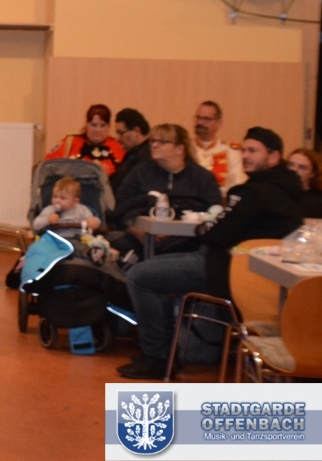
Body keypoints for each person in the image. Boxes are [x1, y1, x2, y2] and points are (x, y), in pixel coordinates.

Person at [117, 126, 303, 380]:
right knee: (156, 270)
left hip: (227, 269)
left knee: (140, 276)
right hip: (262, 277)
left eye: (253, 151)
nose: (245, 156)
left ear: (274, 156)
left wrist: (205, 228)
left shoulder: (254, 193)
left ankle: (157, 357)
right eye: (244, 150)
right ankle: (167, 352)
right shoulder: (292, 191)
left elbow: (216, 233)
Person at [109, 124, 220, 257]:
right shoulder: (139, 173)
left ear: (180, 149)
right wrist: (136, 231)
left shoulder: (202, 178)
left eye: (162, 142)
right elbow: (120, 209)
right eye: (153, 141)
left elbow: (214, 213)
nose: (154, 145)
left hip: (189, 244)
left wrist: (176, 230)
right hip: (140, 241)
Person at [44, 104, 125, 177]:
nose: (98, 130)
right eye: (94, 125)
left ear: (109, 126)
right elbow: (48, 164)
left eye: (102, 126)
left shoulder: (118, 147)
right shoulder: (71, 142)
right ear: (86, 124)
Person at [192, 101, 245, 192]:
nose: (200, 122)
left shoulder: (232, 151)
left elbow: (237, 185)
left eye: (206, 119)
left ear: (218, 124)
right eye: (198, 118)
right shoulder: (184, 148)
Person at [31, 177, 100, 237]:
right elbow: (36, 225)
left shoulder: (82, 210)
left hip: (77, 238)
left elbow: (92, 221)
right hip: (53, 239)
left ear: (75, 201)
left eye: (63, 198)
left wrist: (95, 222)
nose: (57, 201)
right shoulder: (50, 210)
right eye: (55, 196)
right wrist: (48, 220)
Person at [286, 147, 322, 219]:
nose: (294, 170)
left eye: (302, 167)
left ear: (313, 173)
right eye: (291, 165)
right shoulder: (276, 193)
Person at [110, 108, 150, 194]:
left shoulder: (147, 156)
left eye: (121, 133)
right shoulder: (133, 153)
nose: (117, 138)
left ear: (137, 131)